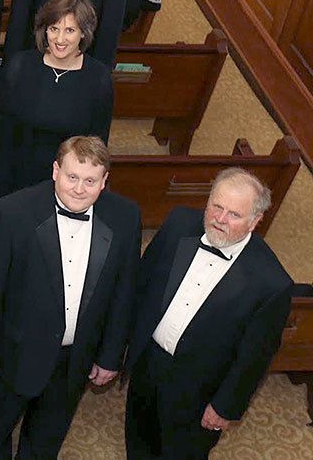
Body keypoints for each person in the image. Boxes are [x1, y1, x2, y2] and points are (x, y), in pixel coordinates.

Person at [0, 136, 140, 459]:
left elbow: (123, 291)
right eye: (72, 177)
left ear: (104, 181)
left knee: (46, 443)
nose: (79, 188)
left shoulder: (125, 218)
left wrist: (109, 356)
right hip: (13, 356)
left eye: (90, 181)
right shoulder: (9, 214)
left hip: (74, 360)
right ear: (55, 170)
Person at [125, 169, 293, 459]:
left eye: (234, 214)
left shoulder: (271, 284)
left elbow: (254, 357)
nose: (220, 219)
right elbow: (142, 283)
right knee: (138, 440)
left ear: (255, 221)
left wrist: (226, 406)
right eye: (216, 206)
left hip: (199, 391)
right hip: (148, 363)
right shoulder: (179, 223)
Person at [0, 0, 113, 202]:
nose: (60, 39)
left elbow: (98, 142)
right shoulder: (20, 66)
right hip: (8, 177)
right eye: (54, 29)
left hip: (63, 185)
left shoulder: (99, 79)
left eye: (70, 30)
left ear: (84, 33)